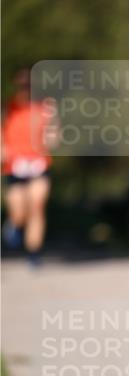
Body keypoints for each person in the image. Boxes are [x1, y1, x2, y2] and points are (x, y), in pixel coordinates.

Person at [2, 69, 57, 265]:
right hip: (15, 164)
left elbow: (53, 140)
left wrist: (53, 123)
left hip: (38, 163)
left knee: (37, 206)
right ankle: (14, 226)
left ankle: (34, 252)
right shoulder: (9, 106)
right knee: (19, 212)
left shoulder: (46, 107)